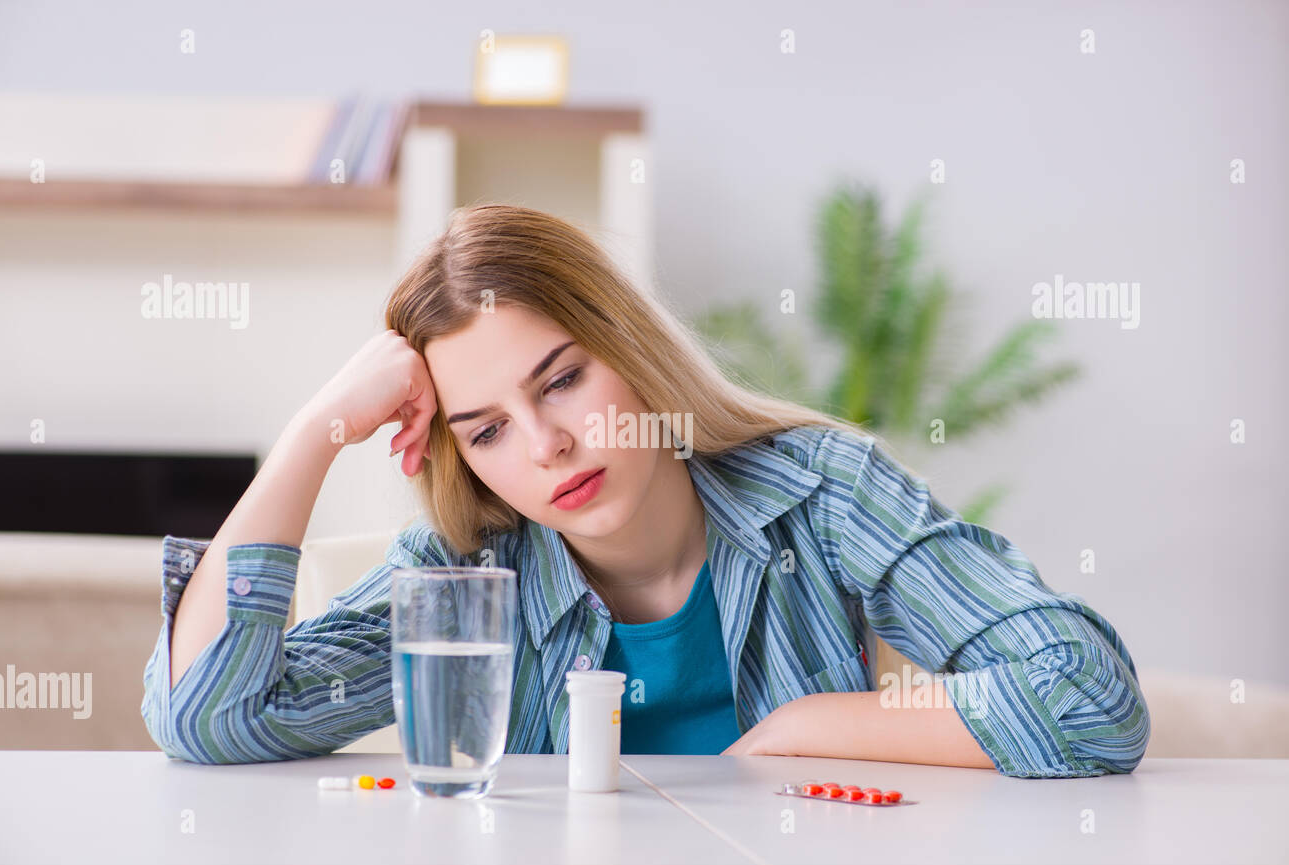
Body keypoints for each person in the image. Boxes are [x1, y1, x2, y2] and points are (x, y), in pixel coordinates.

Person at [142, 204, 1150, 776]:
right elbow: (212, 717)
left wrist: (801, 732)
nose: (545, 446)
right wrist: (314, 432)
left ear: (627, 347)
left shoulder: (823, 498)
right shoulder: (467, 576)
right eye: (485, 429)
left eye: (564, 378)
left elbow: (1088, 694)